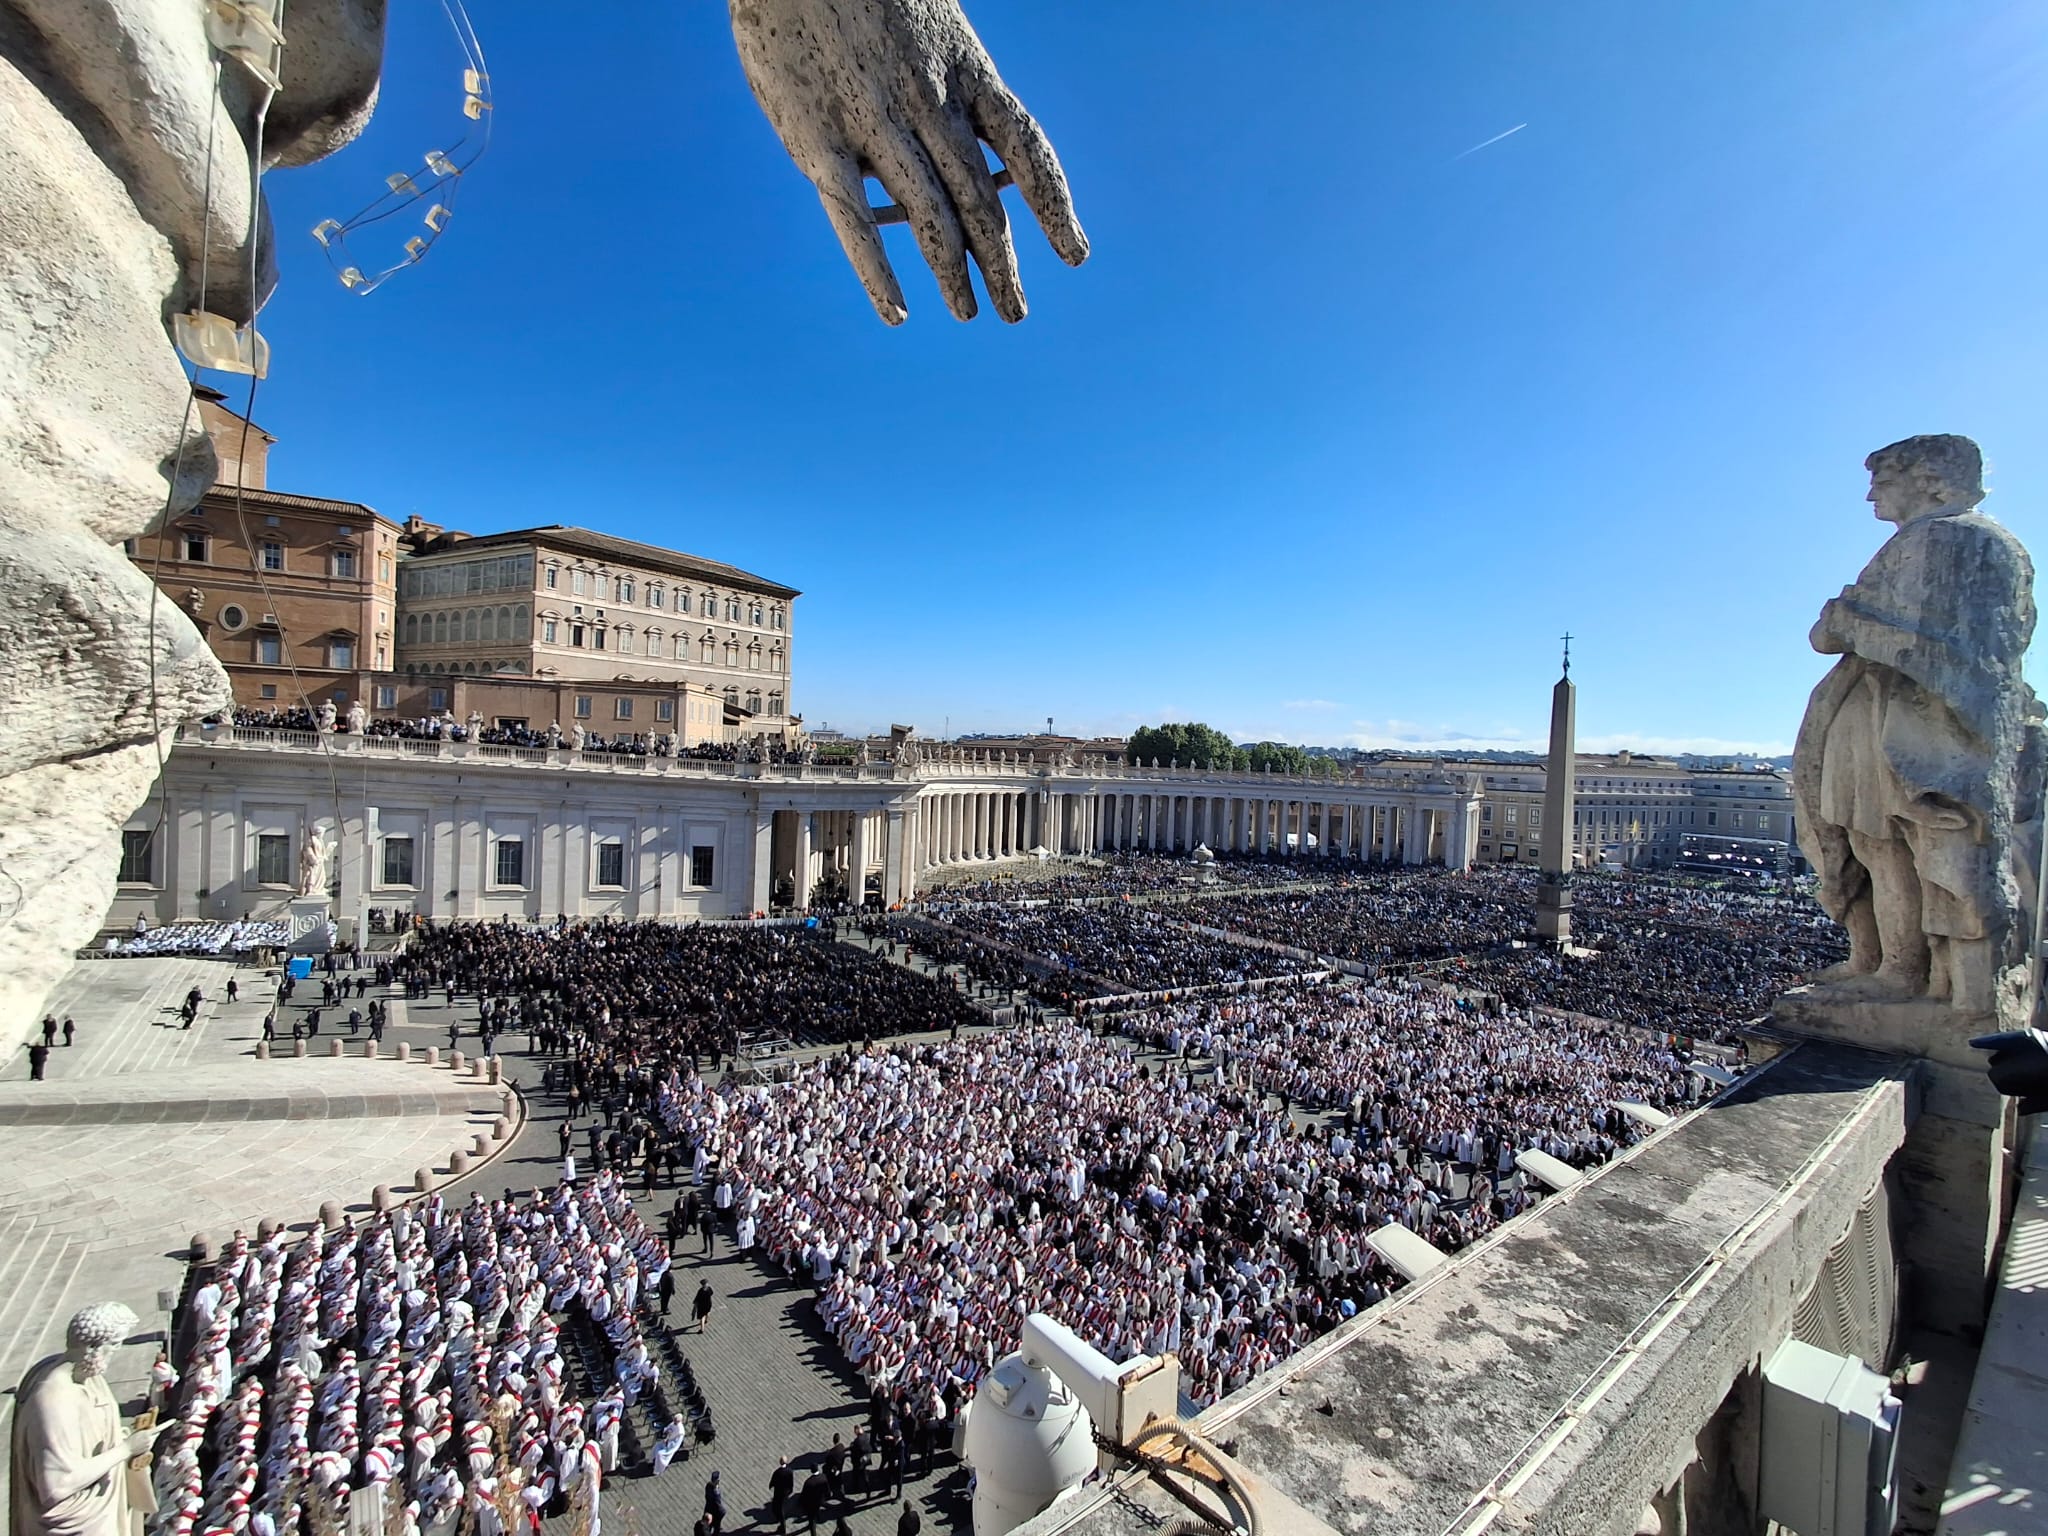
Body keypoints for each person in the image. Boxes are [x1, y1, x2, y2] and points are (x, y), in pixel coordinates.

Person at [769, 1455, 795, 1532]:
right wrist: (790, 1490)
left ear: (780, 1462)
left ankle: (782, 1525)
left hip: (778, 1492)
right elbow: (791, 1482)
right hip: (786, 1492)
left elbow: (773, 1481)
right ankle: (779, 1519)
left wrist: (771, 1485)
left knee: (778, 1507)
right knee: (780, 1505)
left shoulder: (777, 1472)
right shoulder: (790, 1471)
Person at [800, 1466, 829, 1536]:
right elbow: (827, 1489)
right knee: (817, 1509)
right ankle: (818, 1517)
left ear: (811, 1471)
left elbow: (804, 1494)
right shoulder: (823, 1477)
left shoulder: (809, 1482)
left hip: (811, 1504)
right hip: (820, 1500)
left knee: (811, 1519)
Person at [704, 1469, 727, 1534]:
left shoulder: (708, 1485)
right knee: (716, 1527)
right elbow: (717, 1503)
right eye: (718, 1480)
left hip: (708, 1508)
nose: (719, 1481)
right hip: (715, 1512)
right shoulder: (715, 1491)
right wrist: (723, 1511)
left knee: (708, 1525)